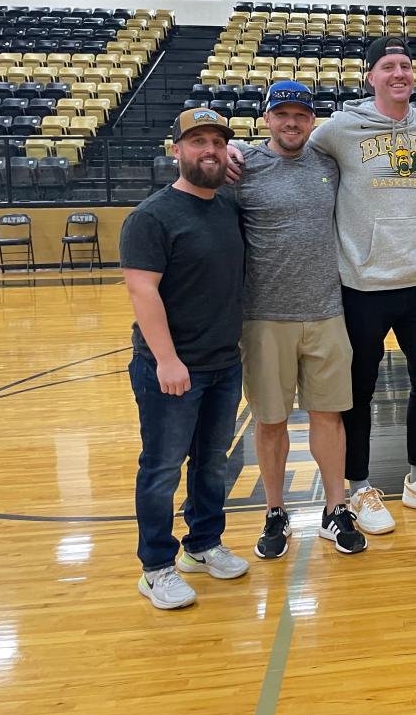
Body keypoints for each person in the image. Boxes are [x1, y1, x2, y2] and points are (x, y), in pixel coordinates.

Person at [306, 36, 416, 521]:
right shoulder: (340, 129)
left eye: (406, 66)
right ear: (370, 76)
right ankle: (360, 486)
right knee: (359, 390)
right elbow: (292, 148)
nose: (399, 74)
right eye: (389, 66)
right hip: (363, 285)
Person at [228, 81, 365, 558]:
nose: (292, 123)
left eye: (301, 115)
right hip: (265, 318)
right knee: (271, 419)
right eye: (282, 114)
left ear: (312, 121)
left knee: (329, 415)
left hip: (327, 311)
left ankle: (334, 508)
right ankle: (275, 511)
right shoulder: (242, 167)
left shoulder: (329, 164)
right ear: (266, 118)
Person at [121, 108, 249, 609]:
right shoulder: (150, 217)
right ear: (175, 150)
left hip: (224, 362)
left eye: (217, 142)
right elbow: (142, 292)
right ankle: (155, 567)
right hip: (170, 368)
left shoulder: (229, 207)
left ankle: (203, 544)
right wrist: (168, 360)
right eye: (197, 142)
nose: (209, 151)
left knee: (212, 464)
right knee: (161, 467)